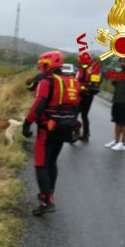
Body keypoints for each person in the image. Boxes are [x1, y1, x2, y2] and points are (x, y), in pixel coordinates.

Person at [22, 51, 81, 216]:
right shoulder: (73, 81)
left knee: (41, 164)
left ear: (48, 63)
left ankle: (46, 201)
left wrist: (27, 123)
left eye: (43, 63)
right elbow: (77, 105)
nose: (41, 65)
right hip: (64, 127)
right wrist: (72, 123)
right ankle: (49, 193)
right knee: (52, 162)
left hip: (47, 128)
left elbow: (38, 105)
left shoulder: (47, 81)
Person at [75, 62, 101, 141]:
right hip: (90, 95)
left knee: (75, 114)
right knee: (84, 115)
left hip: (81, 95)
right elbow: (98, 82)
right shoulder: (93, 71)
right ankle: (86, 134)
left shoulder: (82, 70)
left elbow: (77, 80)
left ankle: (74, 132)